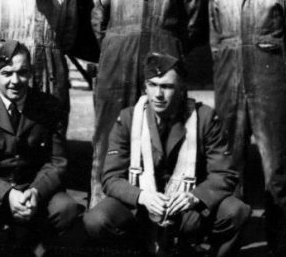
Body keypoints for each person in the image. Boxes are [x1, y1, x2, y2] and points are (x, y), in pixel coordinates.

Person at [89, 0, 203, 207]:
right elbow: (98, 16)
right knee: (108, 134)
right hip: (118, 60)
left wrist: (167, 49)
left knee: (163, 138)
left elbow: (192, 25)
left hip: (162, 61)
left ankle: (162, 215)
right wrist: (115, 48)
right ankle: (100, 209)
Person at [83, 53, 249, 257]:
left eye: (167, 87)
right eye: (152, 85)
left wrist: (194, 198)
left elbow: (225, 174)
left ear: (181, 89)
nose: (158, 94)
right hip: (142, 209)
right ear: (145, 87)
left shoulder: (204, 118)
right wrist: (142, 196)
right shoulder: (129, 119)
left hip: (187, 211)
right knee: (96, 219)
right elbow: (110, 178)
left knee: (236, 211)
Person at [210, 0, 286, 256]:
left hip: (269, 86)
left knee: (276, 168)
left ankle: (283, 246)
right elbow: (215, 43)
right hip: (229, 88)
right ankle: (230, 246)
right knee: (228, 167)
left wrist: (276, 81)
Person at [0, 40, 79, 255]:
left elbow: (57, 162)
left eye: (22, 72)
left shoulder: (49, 106)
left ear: (30, 73)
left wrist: (35, 192)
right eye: (7, 73)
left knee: (66, 208)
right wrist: (7, 194)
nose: (15, 81)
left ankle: (39, 248)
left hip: (33, 190)